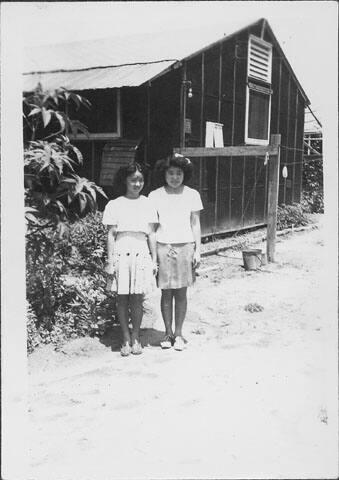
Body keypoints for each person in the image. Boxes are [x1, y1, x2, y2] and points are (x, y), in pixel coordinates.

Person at [148, 153, 203, 351]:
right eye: (170, 173)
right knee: (166, 293)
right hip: (164, 247)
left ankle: (179, 334)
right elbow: (152, 230)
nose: (174, 177)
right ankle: (167, 333)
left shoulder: (192, 194)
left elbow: (195, 224)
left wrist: (198, 250)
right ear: (164, 174)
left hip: (186, 246)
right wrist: (153, 257)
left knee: (181, 293)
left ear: (184, 174)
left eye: (178, 173)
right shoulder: (154, 196)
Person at [102, 162, 158, 357]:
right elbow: (111, 235)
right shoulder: (114, 204)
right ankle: (125, 338)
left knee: (137, 298)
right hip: (121, 252)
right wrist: (110, 261)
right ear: (125, 180)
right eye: (133, 179)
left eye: (140, 180)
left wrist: (154, 260)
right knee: (122, 298)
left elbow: (151, 234)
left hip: (141, 251)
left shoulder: (148, 203)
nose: (137, 183)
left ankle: (136, 337)